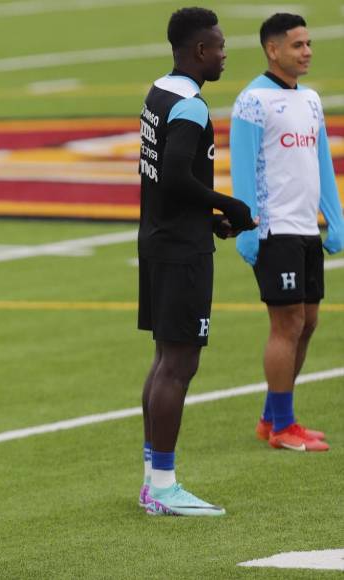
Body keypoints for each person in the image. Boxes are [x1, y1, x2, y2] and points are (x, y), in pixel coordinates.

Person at [136, 7, 256, 517]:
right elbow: (178, 177)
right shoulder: (191, 106)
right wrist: (230, 207)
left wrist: (205, 220)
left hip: (162, 237)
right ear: (200, 50)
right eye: (220, 46)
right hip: (180, 252)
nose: (225, 54)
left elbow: (160, 184)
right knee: (180, 363)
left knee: (165, 359)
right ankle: (163, 487)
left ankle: (151, 482)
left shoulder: (157, 92)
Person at [230, 13, 342, 453]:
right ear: (272, 50)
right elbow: (243, 167)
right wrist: (248, 228)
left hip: (305, 230)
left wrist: (334, 217)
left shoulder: (311, 100)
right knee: (287, 323)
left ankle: (270, 417)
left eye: (309, 43)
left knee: (308, 322)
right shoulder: (253, 102)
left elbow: (321, 163)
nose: (307, 51)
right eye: (297, 45)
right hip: (274, 229)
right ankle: (283, 428)